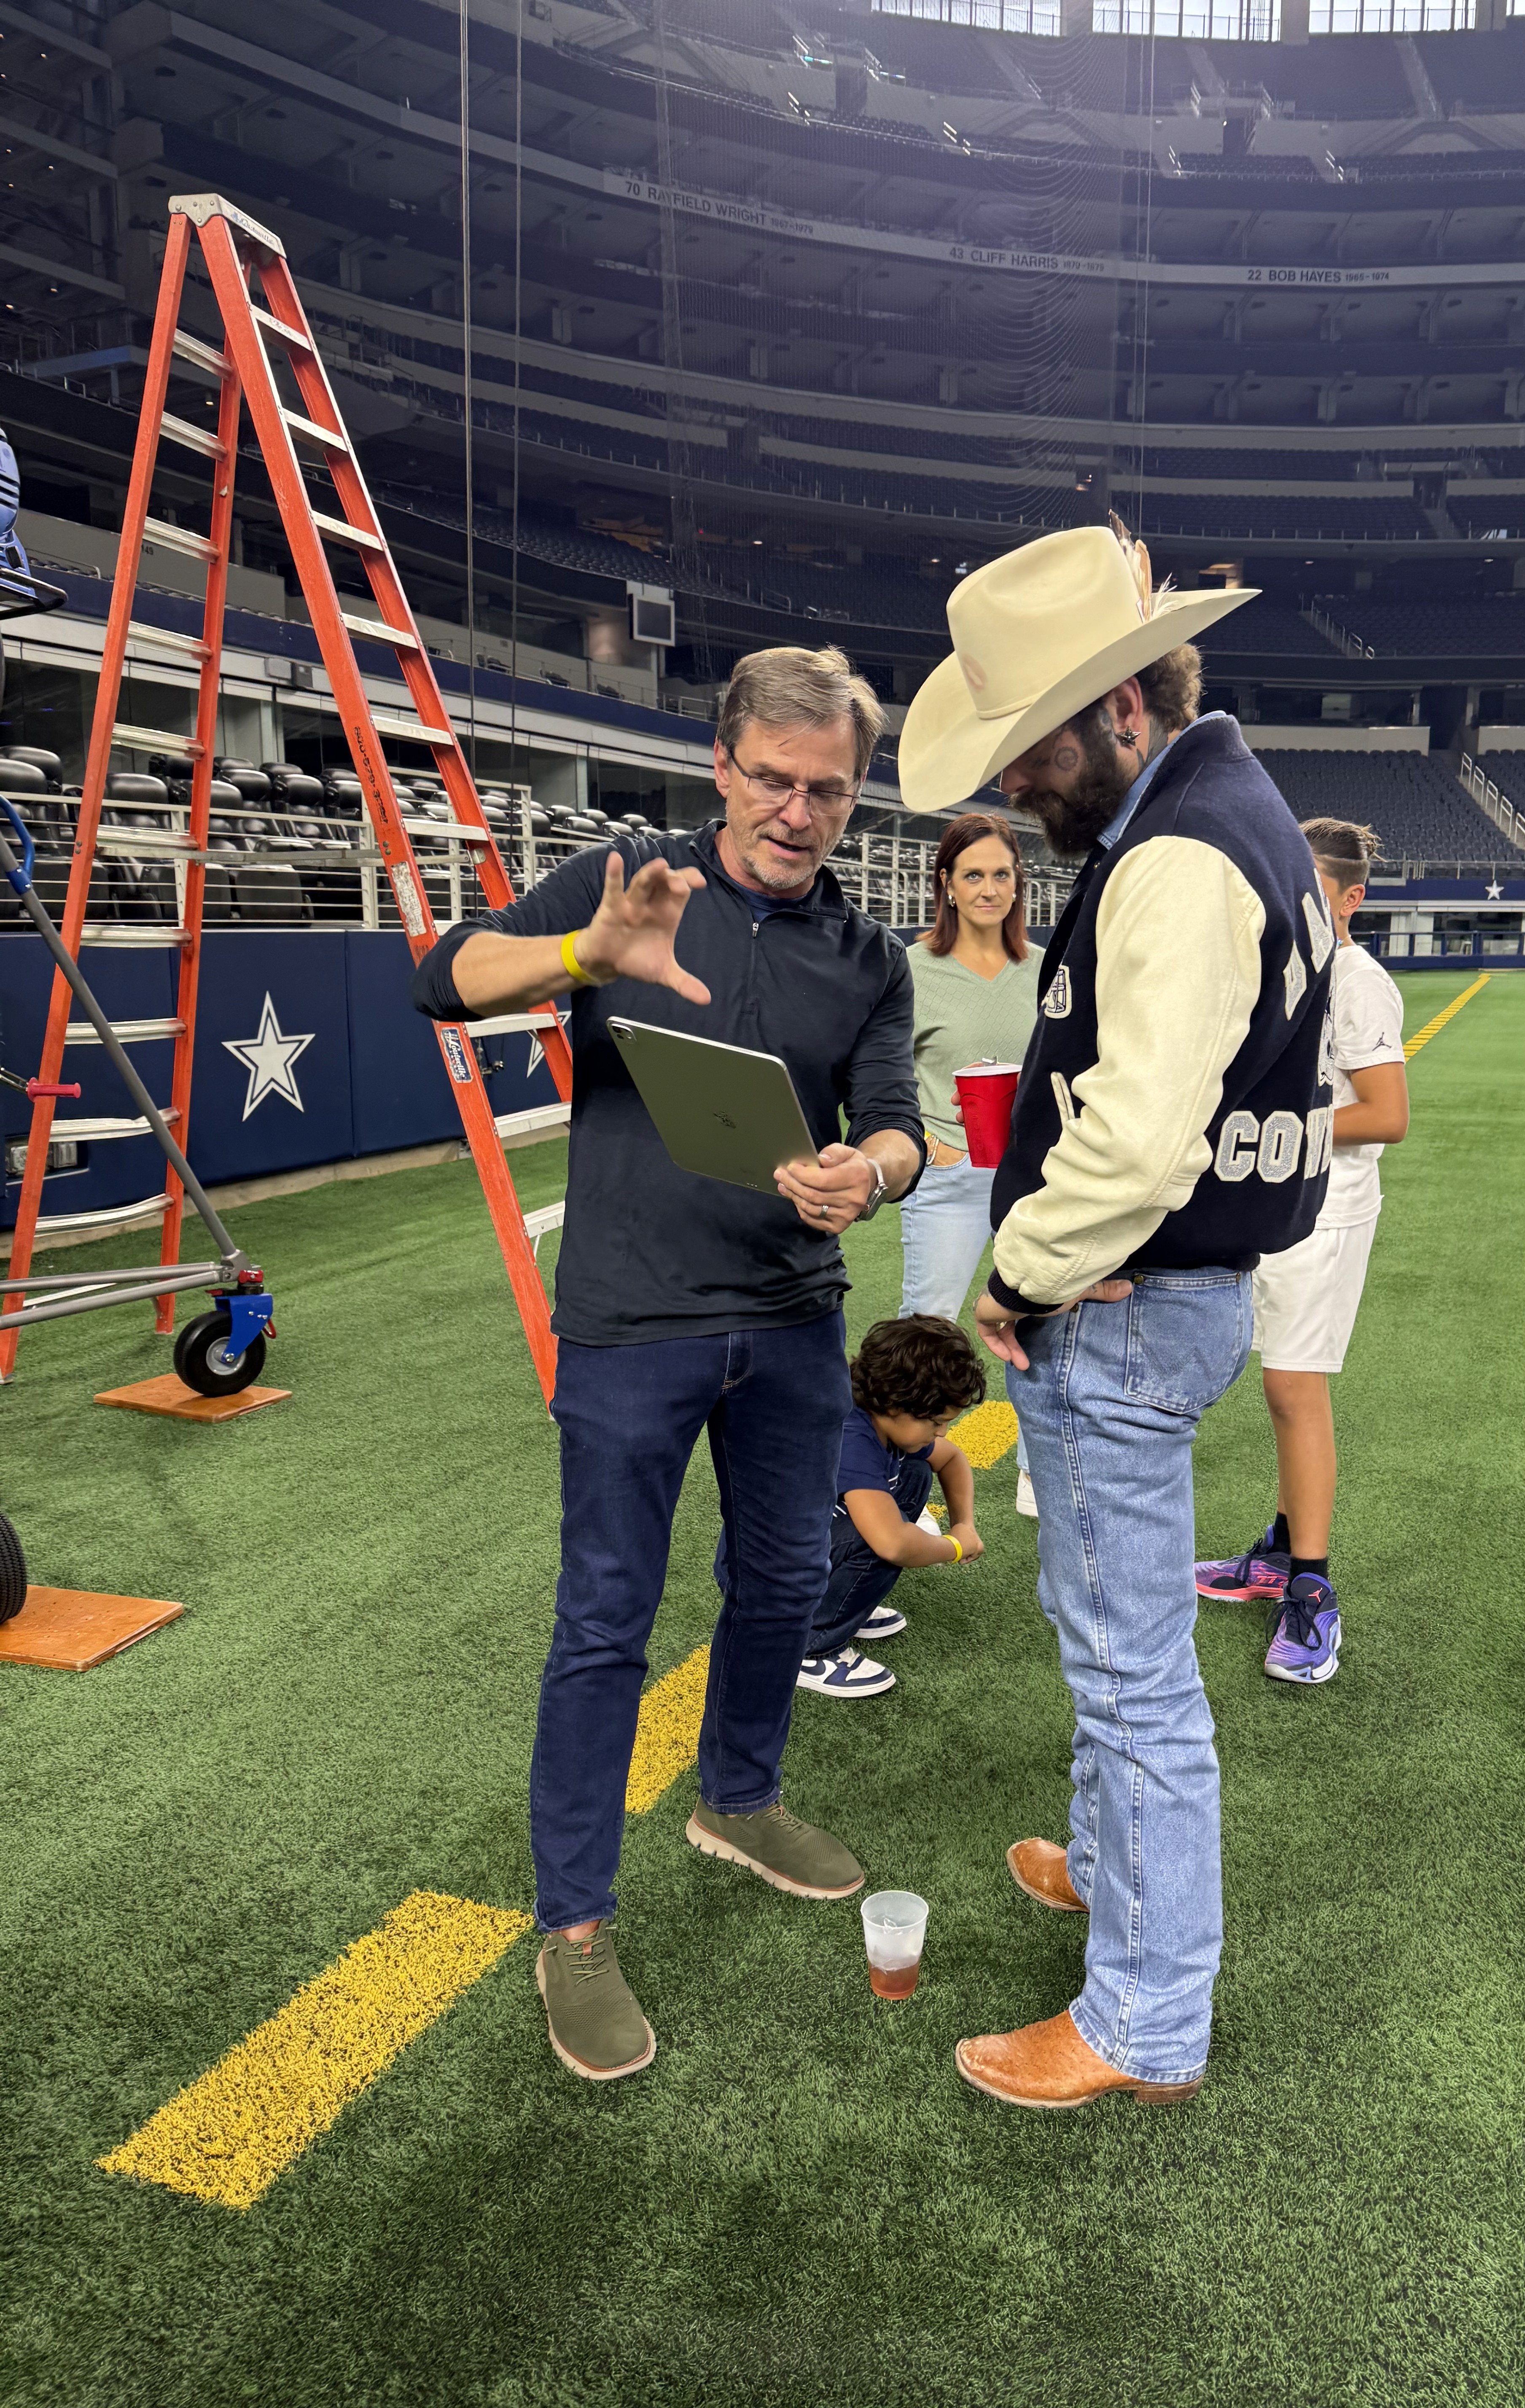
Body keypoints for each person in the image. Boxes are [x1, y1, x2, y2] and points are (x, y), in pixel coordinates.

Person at [409, 644, 924, 2085]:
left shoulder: (869, 956)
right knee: (604, 1623)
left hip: (792, 1320)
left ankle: (737, 1798)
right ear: (722, 767)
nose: (798, 811)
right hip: (630, 1324)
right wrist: (586, 955)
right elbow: (443, 980)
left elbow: (896, 1119)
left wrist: (869, 1175)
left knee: (779, 1581)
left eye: (829, 789)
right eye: (773, 779)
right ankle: (572, 1926)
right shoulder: (626, 883)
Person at [897, 519, 1335, 2112]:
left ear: (1126, 707)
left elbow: (1140, 1146)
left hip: (1127, 1307)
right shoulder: (1228, 816)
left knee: (1129, 1670)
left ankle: (1144, 2016)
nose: (1016, 783)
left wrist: (1014, 1271)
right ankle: (1109, 1863)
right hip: (1175, 1294)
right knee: (1111, 1646)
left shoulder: (1178, 854)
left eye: (1034, 746)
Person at [1194, 817, 1409, 1685]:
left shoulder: (1357, 981)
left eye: (1313, 891)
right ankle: (1281, 1551)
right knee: (1277, 1380)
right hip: (1276, 1199)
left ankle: (1312, 1588)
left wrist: (1268, 1126)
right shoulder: (1277, 968)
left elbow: (1387, 1115)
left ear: (1351, 900)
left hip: (1327, 1207)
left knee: (1293, 1384)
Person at [901, 812, 1042, 1517]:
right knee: (925, 1335)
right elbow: (879, 1074)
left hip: (1034, 1184)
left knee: (1042, 1327)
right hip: (949, 1179)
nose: (989, 889)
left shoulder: (1044, 969)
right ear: (947, 885)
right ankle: (902, 1488)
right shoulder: (912, 969)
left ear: (1018, 884)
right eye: (973, 875)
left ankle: (1038, 1477)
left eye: (1001, 875)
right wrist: (923, 1141)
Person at [792, 1314, 987, 1699]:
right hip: (768, 1569)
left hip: (803, 1543)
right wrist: (955, 1546)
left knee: (915, 1471)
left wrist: (965, 1523)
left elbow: (952, 1459)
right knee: (880, 1539)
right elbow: (894, 1544)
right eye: (936, 1421)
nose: (942, 1431)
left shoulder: (879, 1417)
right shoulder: (853, 1435)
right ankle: (810, 1645)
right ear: (897, 1403)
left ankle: (840, 1605)